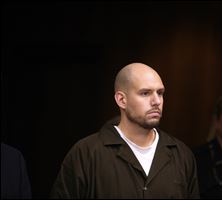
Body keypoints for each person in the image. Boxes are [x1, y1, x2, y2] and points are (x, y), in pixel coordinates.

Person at [50, 62, 200, 199]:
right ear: (122, 100)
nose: (157, 101)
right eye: (145, 93)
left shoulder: (181, 154)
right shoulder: (86, 153)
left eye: (160, 93)